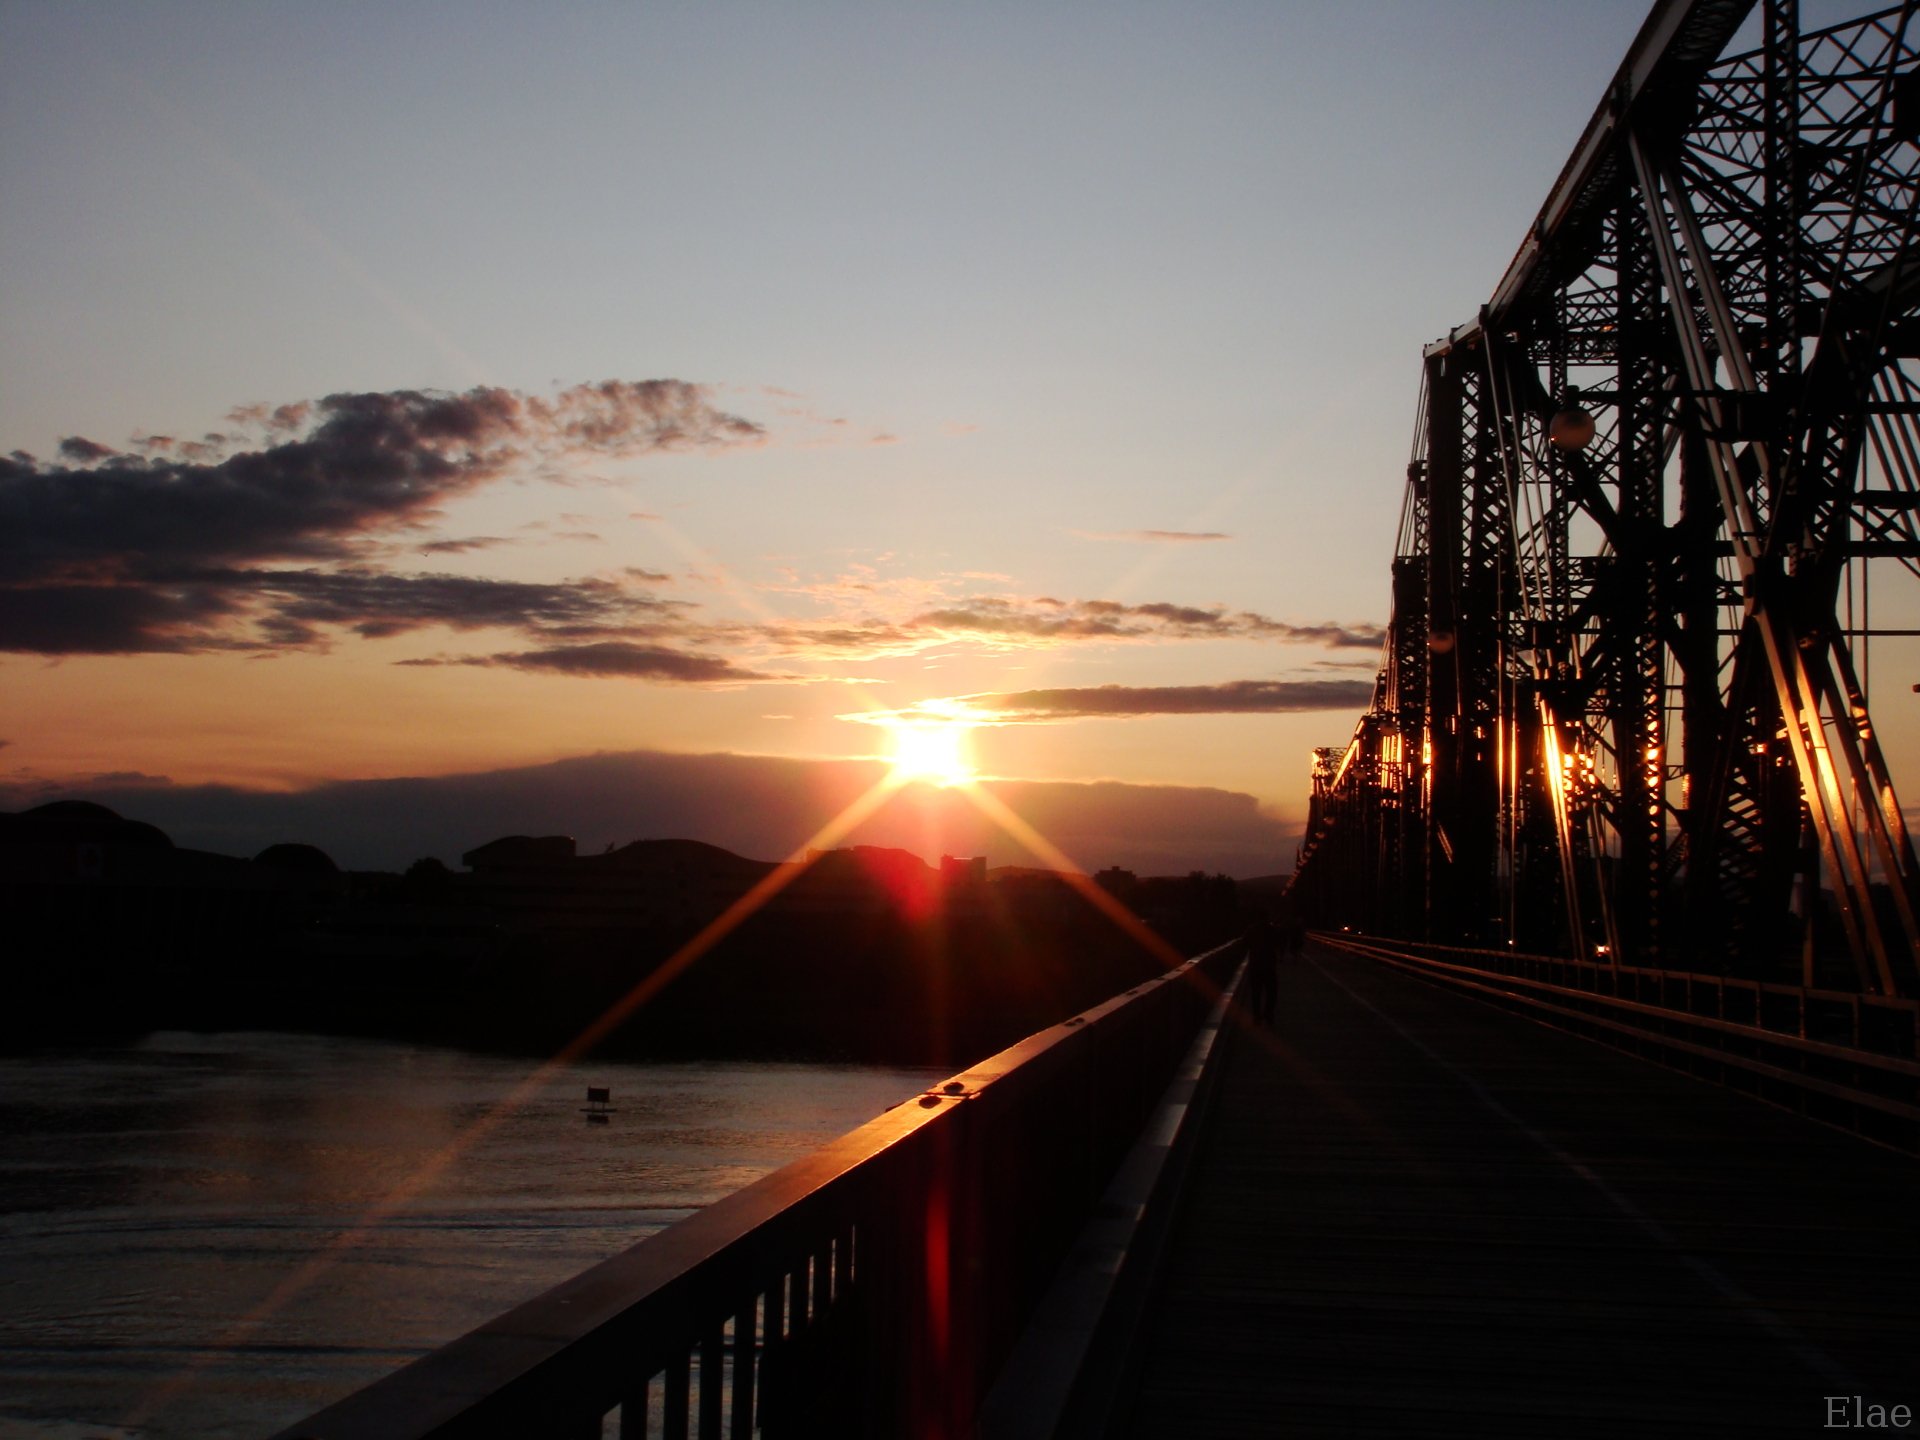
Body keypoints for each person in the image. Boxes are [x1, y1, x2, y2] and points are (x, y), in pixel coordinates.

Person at [1242, 910, 1280, 1025]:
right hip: (1269, 964)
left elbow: (1245, 942)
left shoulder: (1251, 929)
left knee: (1256, 991)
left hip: (1255, 964)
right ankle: (1268, 1013)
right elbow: (1277, 942)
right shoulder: (1272, 929)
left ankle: (1256, 1016)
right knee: (1272, 991)